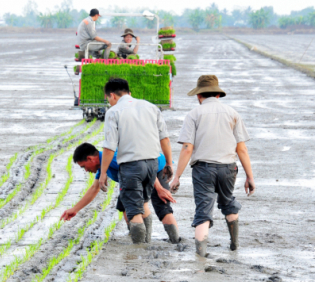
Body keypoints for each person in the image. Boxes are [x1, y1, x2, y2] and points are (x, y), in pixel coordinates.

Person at [169, 75, 256, 257]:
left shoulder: (194, 114)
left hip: (203, 170)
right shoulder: (232, 113)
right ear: (217, 94)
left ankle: (200, 256)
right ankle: (234, 245)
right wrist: (250, 176)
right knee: (227, 202)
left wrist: (177, 176)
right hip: (228, 168)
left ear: (199, 96)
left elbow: (187, 148)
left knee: (203, 210)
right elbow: (242, 149)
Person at [99, 78, 173, 244]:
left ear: (112, 95)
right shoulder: (151, 107)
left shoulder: (114, 112)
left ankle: (139, 252)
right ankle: (146, 242)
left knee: (134, 211)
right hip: (152, 164)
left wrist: (103, 172)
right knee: (143, 202)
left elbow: (109, 147)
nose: (109, 103)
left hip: (131, 166)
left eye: (108, 99)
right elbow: (165, 139)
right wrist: (168, 163)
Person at [60, 143, 181, 244]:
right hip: (144, 170)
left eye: (84, 167)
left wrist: (159, 188)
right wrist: (75, 209)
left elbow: (141, 166)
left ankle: (168, 242)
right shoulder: (104, 163)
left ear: (90, 159)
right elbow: (94, 188)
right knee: (124, 203)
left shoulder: (113, 158)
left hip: (157, 168)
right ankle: (139, 236)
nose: (86, 170)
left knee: (160, 205)